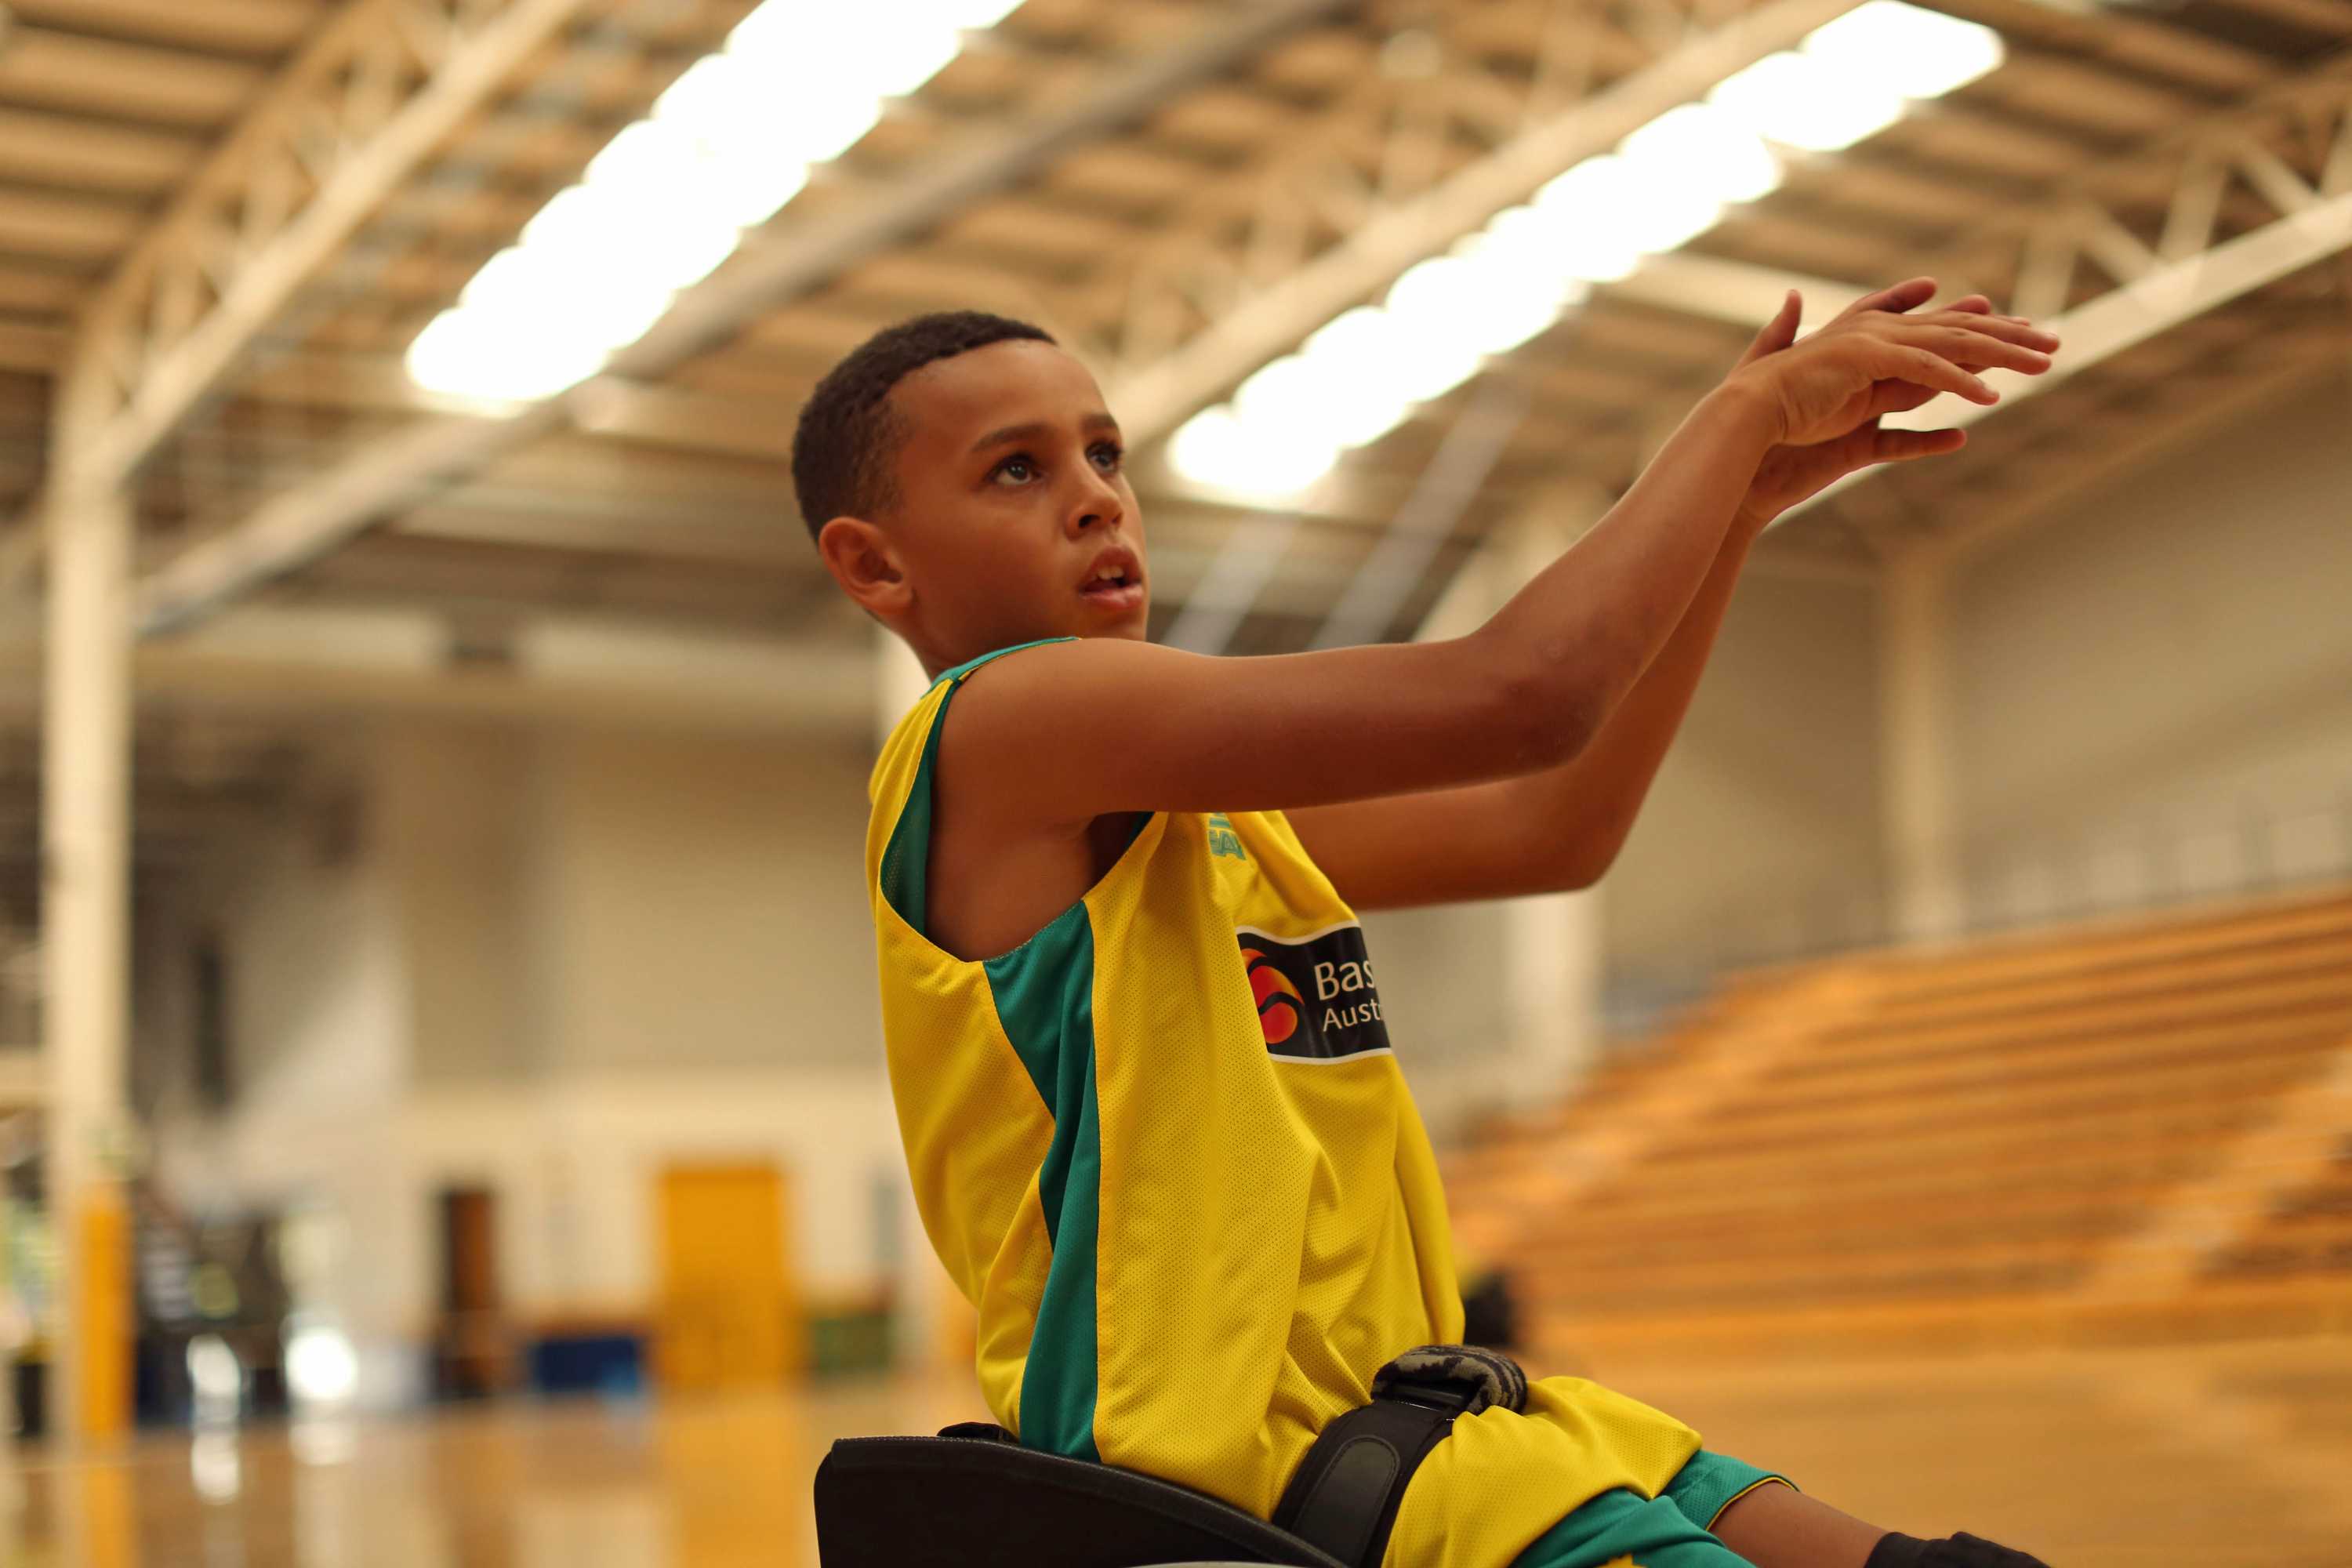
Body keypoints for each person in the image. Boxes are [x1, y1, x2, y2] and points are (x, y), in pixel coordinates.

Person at [798, 280, 2060, 1568]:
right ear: (875, 563)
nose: (1094, 495)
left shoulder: (1212, 827)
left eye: (1104, 451)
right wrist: (1736, 417)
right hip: (1251, 1473)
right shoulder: (1001, 725)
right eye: (1016, 469)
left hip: (1430, 1419)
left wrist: (1732, 518)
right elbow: (1524, 691)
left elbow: (1549, 827)